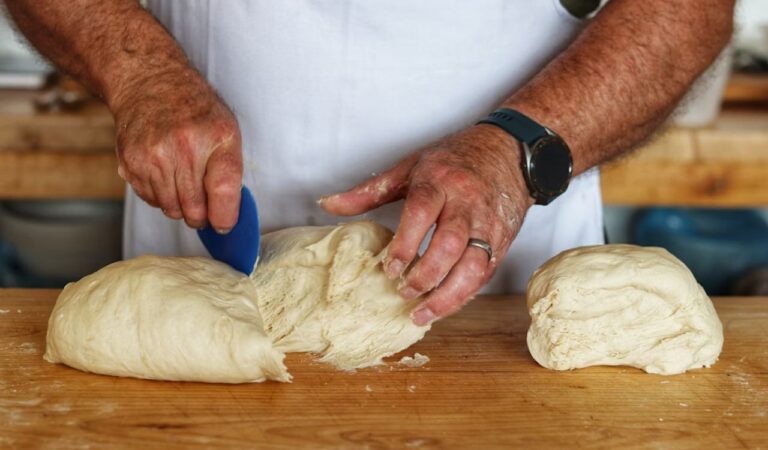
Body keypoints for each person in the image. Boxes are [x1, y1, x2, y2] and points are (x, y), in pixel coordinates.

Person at [7, 0, 734, 325]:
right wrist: (139, 73)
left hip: (502, 282)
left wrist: (516, 150)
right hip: (202, 261)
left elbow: (687, 11)